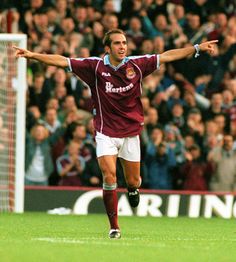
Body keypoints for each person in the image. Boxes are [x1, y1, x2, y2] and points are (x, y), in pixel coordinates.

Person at [14, 29, 217, 239]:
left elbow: (167, 56)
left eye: (124, 43)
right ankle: (114, 227)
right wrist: (33, 55)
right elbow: (63, 61)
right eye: (118, 43)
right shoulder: (95, 67)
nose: (122, 47)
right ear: (107, 48)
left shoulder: (136, 64)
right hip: (105, 131)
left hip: (130, 133)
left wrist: (196, 48)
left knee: (133, 180)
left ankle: (132, 189)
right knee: (109, 176)